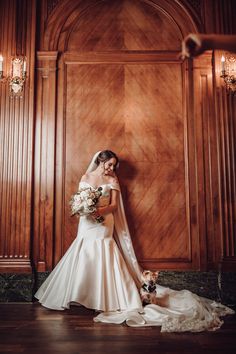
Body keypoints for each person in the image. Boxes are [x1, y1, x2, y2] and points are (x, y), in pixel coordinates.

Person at [35, 150, 234, 332]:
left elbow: (113, 206)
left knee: (104, 250)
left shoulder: (112, 180)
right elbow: (79, 200)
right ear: (100, 160)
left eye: (113, 166)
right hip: (87, 223)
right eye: (109, 164)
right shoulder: (85, 177)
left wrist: (98, 211)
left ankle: (106, 298)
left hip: (105, 222)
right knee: (84, 250)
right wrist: (84, 209)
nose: (111, 169)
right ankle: (83, 295)